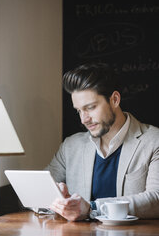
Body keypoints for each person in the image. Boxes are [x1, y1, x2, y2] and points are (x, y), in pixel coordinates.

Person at [46, 62, 159, 221]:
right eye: (79, 110)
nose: (84, 119)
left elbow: (156, 199)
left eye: (90, 107)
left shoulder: (154, 141)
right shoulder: (70, 146)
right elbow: (34, 194)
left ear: (114, 99)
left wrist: (92, 208)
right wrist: (55, 198)